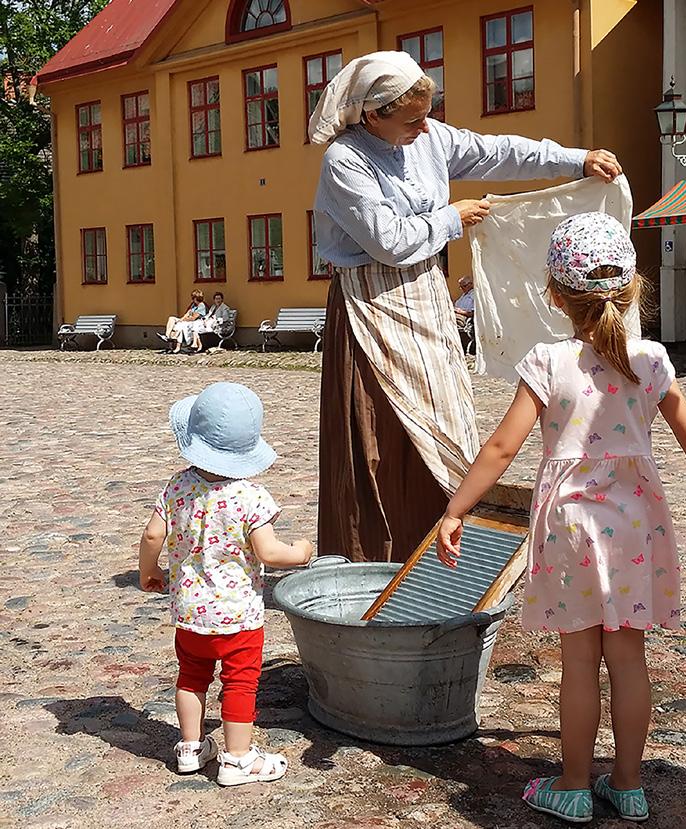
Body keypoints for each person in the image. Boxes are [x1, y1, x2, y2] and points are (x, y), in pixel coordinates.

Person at [435, 213, 686, 824]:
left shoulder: (547, 363)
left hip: (570, 526)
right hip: (636, 524)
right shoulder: (652, 360)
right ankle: (627, 786)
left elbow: (501, 447)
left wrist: (456, 508)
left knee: (579, 661)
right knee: (629, 658)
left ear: (554, 294)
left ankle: (573, 785)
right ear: (633, 289)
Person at [310, 51, 623, 564]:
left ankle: (447, 536)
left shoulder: (429, 138)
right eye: (410, 120)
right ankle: (377, 552)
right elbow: (388, 240)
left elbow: (498, 152)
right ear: (372, 115)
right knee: (383, 427)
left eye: (426, 115)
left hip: (427, 294)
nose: (423, 127)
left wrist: (576, 159)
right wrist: (452, 218)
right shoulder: (345, 161)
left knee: (446, 416)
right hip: (370, 301)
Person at [138, 382, 313, 786]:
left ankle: (190, 747)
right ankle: (237, 759)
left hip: (189, 614)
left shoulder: (177, 486)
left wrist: (149, 572)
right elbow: (269, 552)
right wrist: (301, 552)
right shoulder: (250, 496)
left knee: (191, 677)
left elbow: (151, 536)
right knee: (240, 682)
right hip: (238, 618)